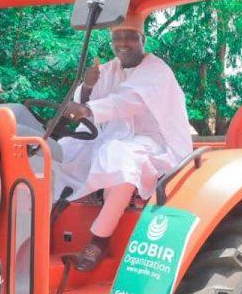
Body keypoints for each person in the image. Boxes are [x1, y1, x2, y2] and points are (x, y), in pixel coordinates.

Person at [55, 17, 192, 271]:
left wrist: (86, 108)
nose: (122, 43)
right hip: (111, 138)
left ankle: (100, 239)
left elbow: (127, 101)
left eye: (130, 37)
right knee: (58, 151)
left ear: (143, 40)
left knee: (122, 159)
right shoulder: (109, 69)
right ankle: (46, 219)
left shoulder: (156, 71)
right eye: (117, 38)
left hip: (157, 143)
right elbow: (86, 101)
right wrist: (87, 86)